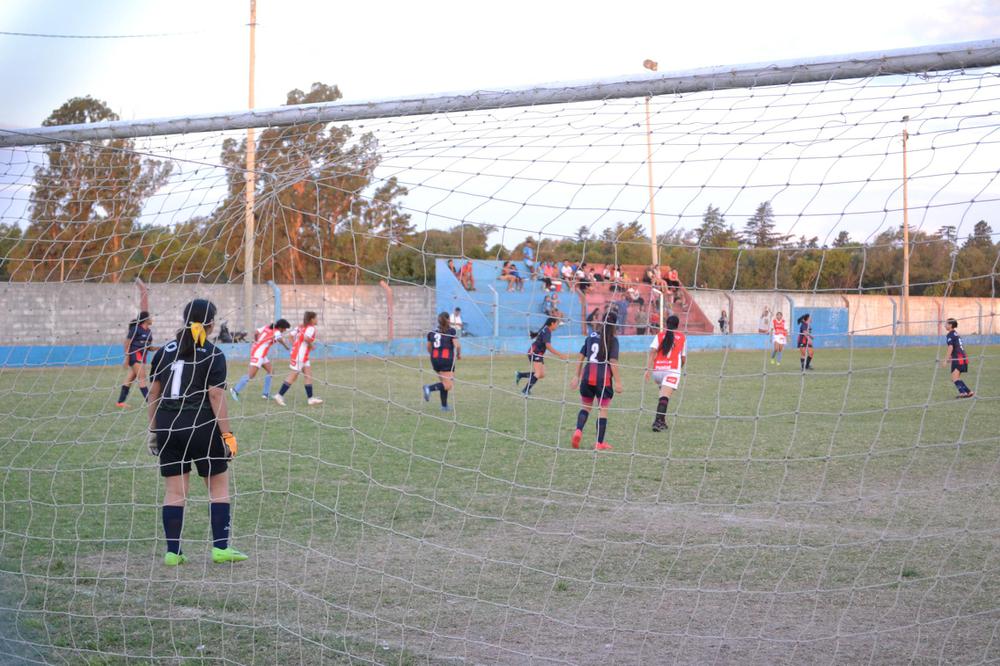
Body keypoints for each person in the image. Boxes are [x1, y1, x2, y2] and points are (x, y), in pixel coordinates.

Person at [146, 298, 246, 566]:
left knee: (175, 492)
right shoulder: (213, 353)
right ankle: (221, 548)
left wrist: (154, 430)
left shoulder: (164, 351)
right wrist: (227, 435)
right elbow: (215, 396)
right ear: (211, 323)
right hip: (201, 427)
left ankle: (172, 552)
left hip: (168, 427)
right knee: (218, 487)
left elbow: (153, 393)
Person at [570, 310, 622, 451]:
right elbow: (613, 361)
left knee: (585, 407)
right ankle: (599, 443)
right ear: (615, 324)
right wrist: (617, 381)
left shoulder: (591, 336)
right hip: (603, 380)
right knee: (603, 410)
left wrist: (576, 375)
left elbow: (581, 356)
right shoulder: (612, 339)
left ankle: (578, 430)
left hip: (587, 376)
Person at [230, 319, 292, 401]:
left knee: (271, 371)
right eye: (284, 329)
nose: (284, 331)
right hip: (258, 354)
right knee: (251, 375)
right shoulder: (276, 331)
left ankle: (265, 394)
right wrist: (286, 346)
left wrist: (257, 340)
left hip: (261, 353)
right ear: (281, 327)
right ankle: (235, 390)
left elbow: (256, 332)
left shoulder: (266, 327)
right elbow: (279, 339)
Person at [645, 314, 686, 432]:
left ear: (667, 324)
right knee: (664, 397)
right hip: (671, 370)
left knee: (663, 396)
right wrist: (679, 368)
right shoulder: (682, 337)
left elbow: (652, 351)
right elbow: (683, 358)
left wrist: (648, 369)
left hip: (657, 371)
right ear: (677, 326)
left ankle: (662, 420)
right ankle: (657, 422)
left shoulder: (659, 335)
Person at [273, 311, 323, 406]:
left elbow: (291, 335)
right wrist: (311, 346)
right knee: (293, 375)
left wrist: (295, 346)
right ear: (312, 319)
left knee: (308, 375)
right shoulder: (311, 328)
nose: (317, 320)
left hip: (302, 355)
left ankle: (310, 399)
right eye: (316, 318)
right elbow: (306, 338)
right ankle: (279, 395)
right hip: (300, 355)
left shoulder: (300, 326)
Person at [516, 317, 567, 395]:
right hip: (535, 353)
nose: (557, 326)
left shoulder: (546, 329)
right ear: (552, 324)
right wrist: (560, 355)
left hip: (537, 353)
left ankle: (520, 375)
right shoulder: (547, 331)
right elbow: (548, 346)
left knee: (541, 374)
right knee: (538, 373)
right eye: (557, 324)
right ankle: (525, 390)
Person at [117, 311, 156, 408]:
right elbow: (127, 343)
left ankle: (120, 402)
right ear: (146, 319)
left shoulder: (149, 332)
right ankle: (150, 402)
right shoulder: (135, 329)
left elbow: (149, 347)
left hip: (142, 357)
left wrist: (159, 348)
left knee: (130, 378)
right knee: (142, 377)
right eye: (150, 317)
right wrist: (127, 358)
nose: (152, 319)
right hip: (135, 355)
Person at [423, 312, 461, 412]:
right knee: (448, 385)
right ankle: (429, 388)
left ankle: (444, 406)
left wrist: (434, 355)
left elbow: (428, 347)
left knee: (444, 382)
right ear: (448, 319)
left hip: (434, 360)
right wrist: (458, 354)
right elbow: (457, 346)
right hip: (446, 360)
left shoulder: (431, 332)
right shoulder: (452, 331)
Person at [943, 318, 975, 398]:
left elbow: (950, 347)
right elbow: (956, 346)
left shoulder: (950, 335)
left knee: (954, 378)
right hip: (963, 357)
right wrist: (951, 357)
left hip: (958, 358)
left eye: (946, 324)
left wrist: (945, 360)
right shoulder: (956, 334)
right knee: (956, 377)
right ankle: (969, 392)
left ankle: (962, 393)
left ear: (950, 325)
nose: (944, 325)